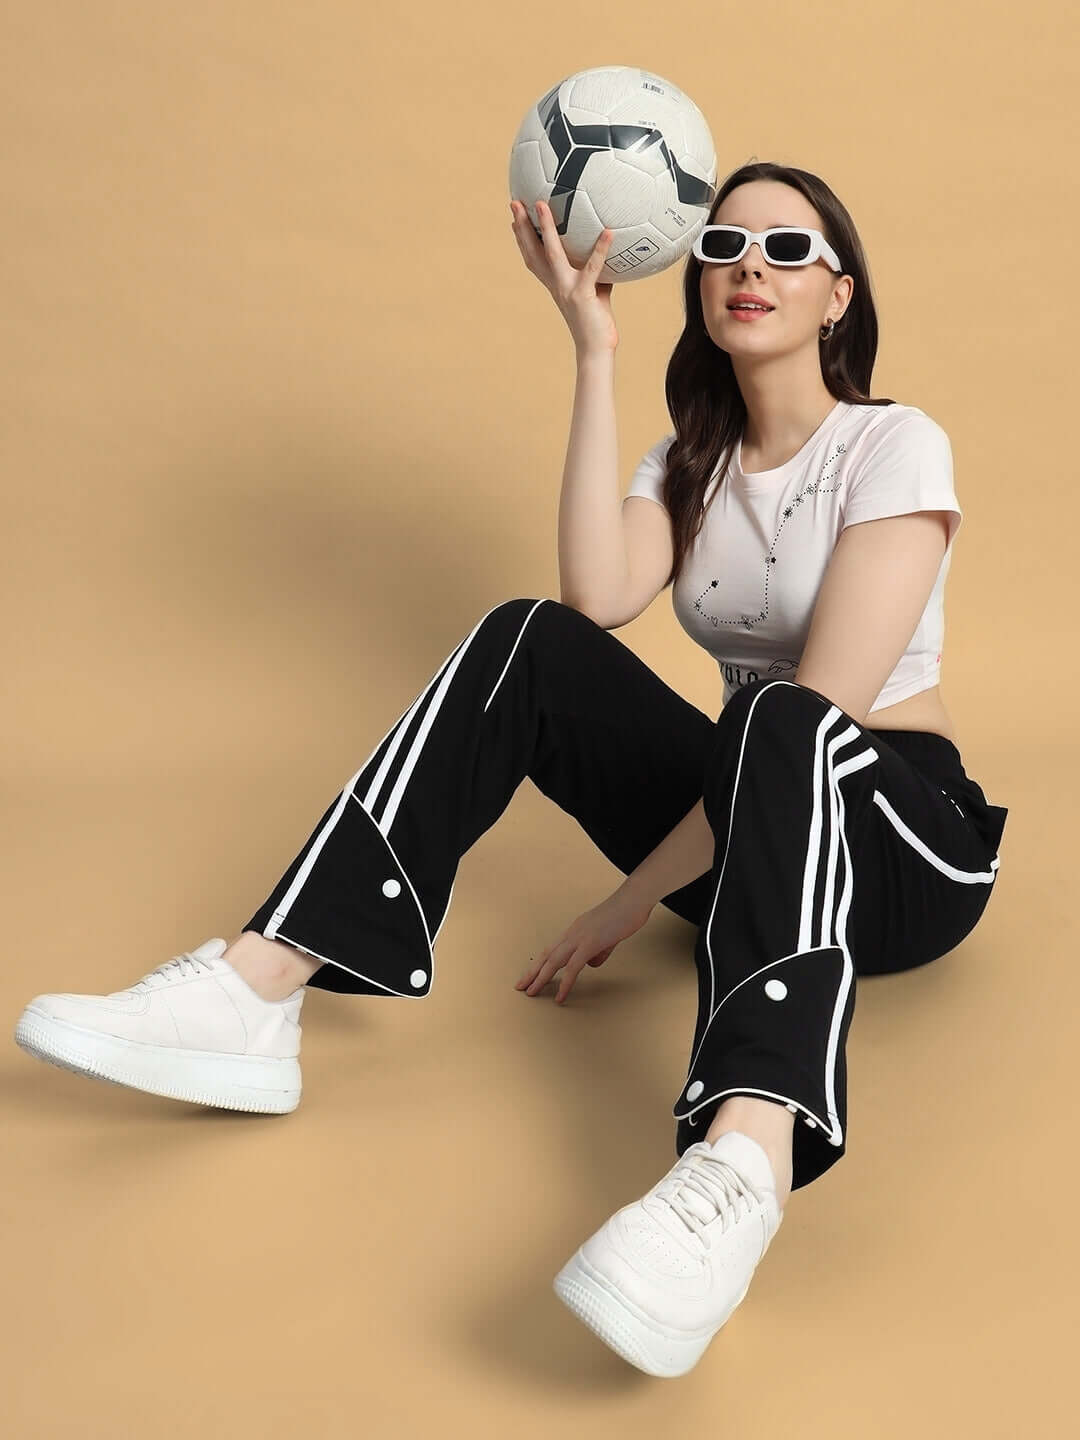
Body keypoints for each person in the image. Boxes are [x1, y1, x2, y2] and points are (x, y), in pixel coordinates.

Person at [14, 161, 1008, 1379]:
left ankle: (742, 1165)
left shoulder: (892, 445)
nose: (750, 266)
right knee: (526, 636)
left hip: (905, 841)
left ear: (838, 296)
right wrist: (592, 346)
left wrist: (630, 897)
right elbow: (595, 596)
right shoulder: (686, 464)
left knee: (781, 715)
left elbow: (828, 706)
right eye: (724, 244)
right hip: (759, 829)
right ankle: (259, 984)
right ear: (693, 278)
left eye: (787, 250)